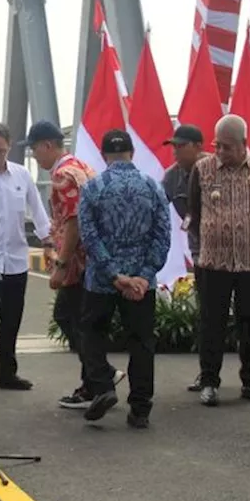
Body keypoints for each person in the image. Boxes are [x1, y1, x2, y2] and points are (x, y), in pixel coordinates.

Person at [76, 129, 171, 428]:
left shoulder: (93, 188)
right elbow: (162, 236)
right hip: (142, 284)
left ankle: (103, 385)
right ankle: (140, 407)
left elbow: (89, 237)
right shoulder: (153, 187)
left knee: (92, 332)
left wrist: (115, 275)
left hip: (102, 280)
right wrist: (142, 276)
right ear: (132, 153)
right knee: (141, 341)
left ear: (104, 155)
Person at [24, 120, 121, 410]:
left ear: (48, 145)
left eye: (34, 150)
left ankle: (102, 376)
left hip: (79, 263)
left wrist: (62, 263)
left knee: (68, 317)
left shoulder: (64, 176)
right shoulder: (82, 167)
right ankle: (92, 383)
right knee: (81, 320)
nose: (35, 156)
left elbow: (74, 221)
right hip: (93, 260)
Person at [187, 114, 250, 407]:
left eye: (227, 147)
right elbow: (193, 211)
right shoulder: (202, 170)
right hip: (213, 262)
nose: (221, 152)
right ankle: (210, 381)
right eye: (217, 146)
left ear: (244, 145)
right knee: (211, 323)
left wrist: (247, 230)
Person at [0, 122, 51, 391]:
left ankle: (6, 373)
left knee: (11, 319)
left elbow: (37, 210)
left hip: (15, 259)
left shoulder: (21, 175)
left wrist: (48, 240)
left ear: (8, 148)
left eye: (1, 151)